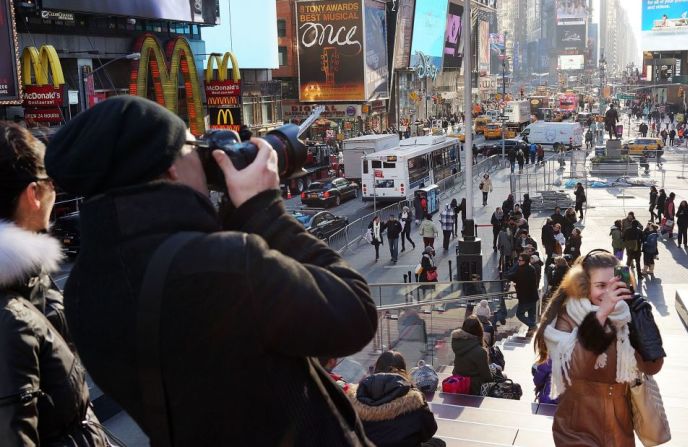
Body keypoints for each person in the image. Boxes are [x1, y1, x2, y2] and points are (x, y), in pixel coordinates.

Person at [44, 96, 377, 445]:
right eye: (193, 146)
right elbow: (355, 313)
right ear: (171, 167)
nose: (206, 157)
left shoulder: (81, 291)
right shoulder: (223, 265)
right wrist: (265, 212)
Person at [0, 122, 109, 446]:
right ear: (33, 194)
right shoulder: (11, 322)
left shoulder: (26, 282)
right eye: (51, 182)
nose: (57, 191)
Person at [535, 250, 663, 446]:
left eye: (612, 285)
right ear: (584, 286)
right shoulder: (568, 316)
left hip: (620, 426)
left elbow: (651, 368)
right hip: (577, 424)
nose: (608, 293)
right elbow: (574, 368)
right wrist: (601, 315)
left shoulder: (625, 314)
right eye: (601, 286)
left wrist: (644, 325)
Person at [347, 351, 444, 447]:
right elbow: (429, 430)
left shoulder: (354, 398)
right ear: (403, 370)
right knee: (438, 443)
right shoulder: (415, 400)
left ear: (376, 368)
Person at [451, 316, 494, 396]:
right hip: (473, 387)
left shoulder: (456, 342)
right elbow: (487, 377)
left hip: (456, 381)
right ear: (479, 330)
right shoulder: (480, 352)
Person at [507, 253, 541, 336]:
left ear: (525, 261)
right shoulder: (531, 268)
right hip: (533, 296)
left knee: (519, 314)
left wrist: (516, 266)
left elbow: (510, 276)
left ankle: (533, 326)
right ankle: (531, 332)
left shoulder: (521, 270)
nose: (518, 261)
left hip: (525, 298)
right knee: (531, 315)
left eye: (520, 260)